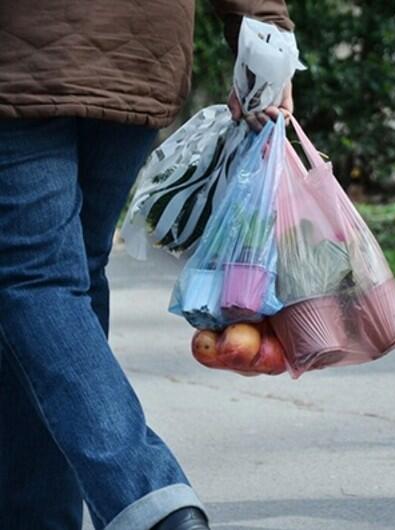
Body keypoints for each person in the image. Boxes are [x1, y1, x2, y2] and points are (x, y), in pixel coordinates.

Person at [0, 1, 295, 529]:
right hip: (139, 48)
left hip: (18, 52)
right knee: (66, 285)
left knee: (35, 279)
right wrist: (266, 30)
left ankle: (150, 497)